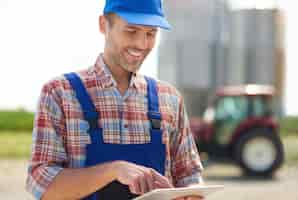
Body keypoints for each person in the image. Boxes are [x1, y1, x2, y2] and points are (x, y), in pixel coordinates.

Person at [26, 0, 204, 199]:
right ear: (103, 25)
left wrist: (191, 194)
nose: (141, 44)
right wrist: (113, 171)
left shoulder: (170, 98)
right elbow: (42, 185)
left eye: (150, 33)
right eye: (131, 31)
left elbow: (190, 176)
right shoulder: (60, 93)